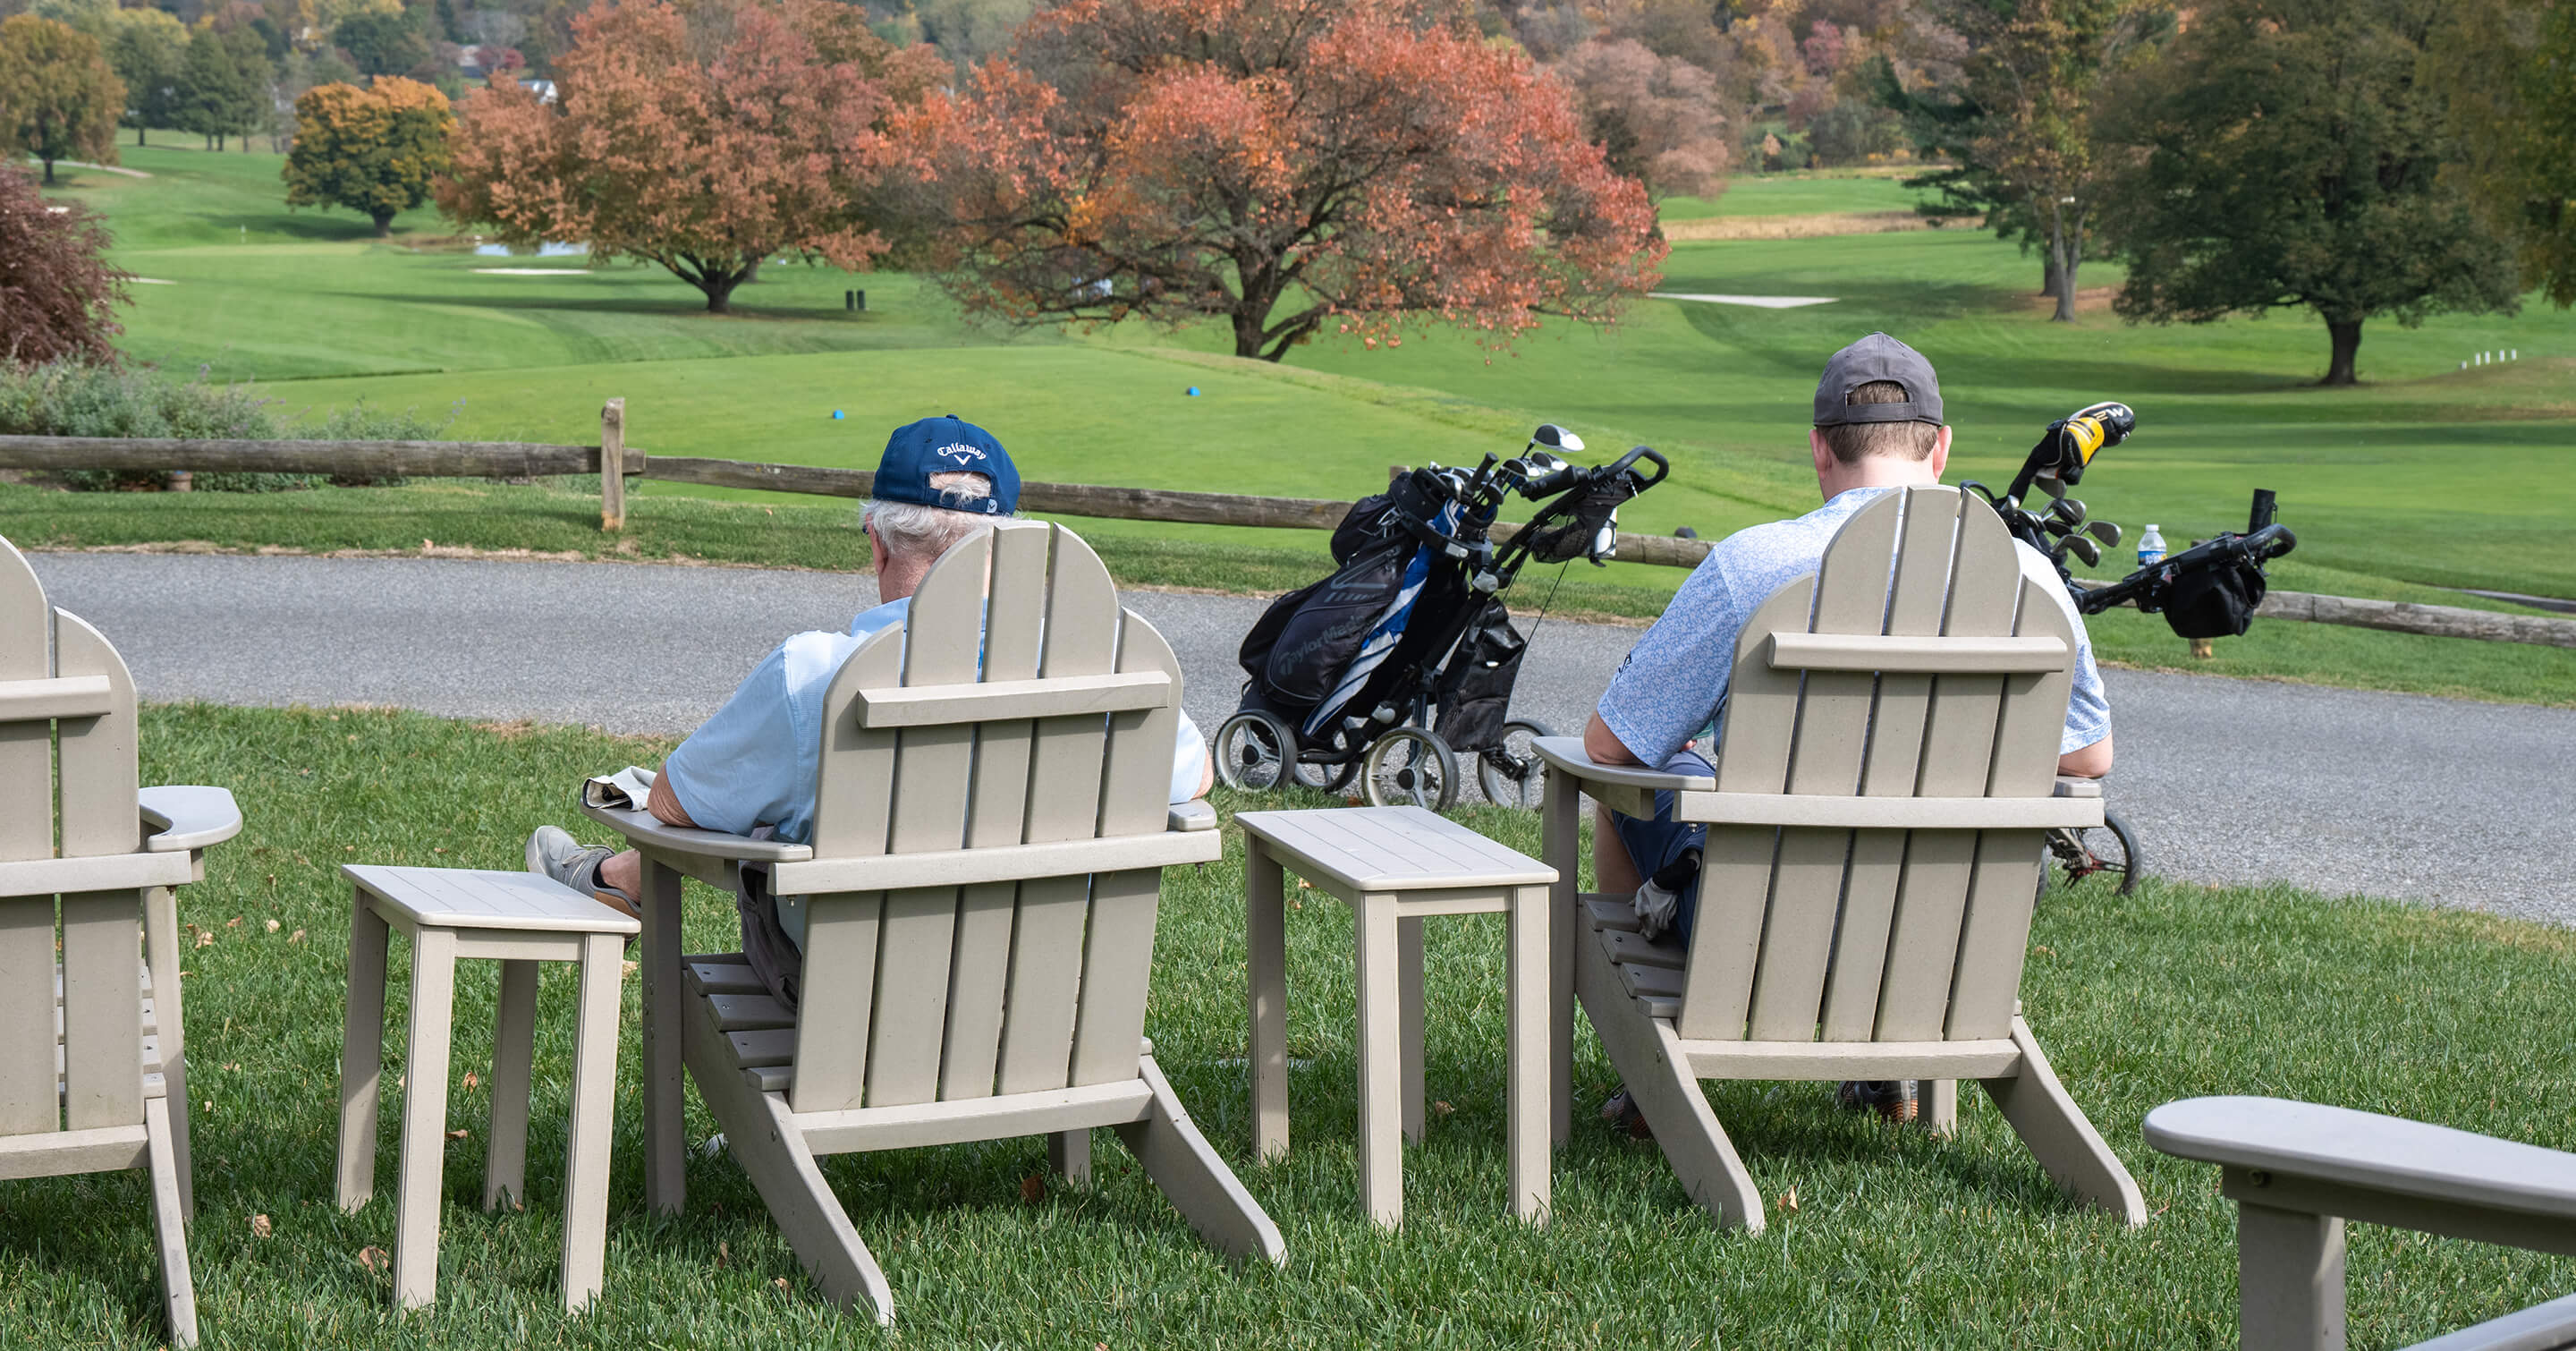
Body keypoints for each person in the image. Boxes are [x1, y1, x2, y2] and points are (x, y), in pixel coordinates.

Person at [1586, 334, 2112, 1127]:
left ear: (1819, 450)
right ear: (1939, 449)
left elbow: (1610, 749)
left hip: (1759, 941)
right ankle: (1885, 1062)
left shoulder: (1755, 566)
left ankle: (1650, 1072)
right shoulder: (2029, 577)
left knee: (1621, 798)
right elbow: (2088, 754)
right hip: (1948, 944)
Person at [526, 415, 1212, 1005]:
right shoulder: (1108, 665)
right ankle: (630, 875)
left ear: (878, 541)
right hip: (1037, 990)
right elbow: (1197, 774)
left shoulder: (816, 672)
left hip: (846, 997)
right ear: (1009, 547)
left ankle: (618, 879)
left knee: (786, 807)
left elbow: (675, 805)